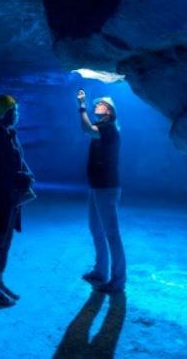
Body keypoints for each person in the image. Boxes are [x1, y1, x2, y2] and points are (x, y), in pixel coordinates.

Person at [0, 94, 34, 306]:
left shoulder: (9, 133)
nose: (17, 114)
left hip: (10, 196)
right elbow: (3, 171)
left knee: (5, 240)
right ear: (5, 114)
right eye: (14, 111)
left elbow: (17, 161)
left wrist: (26, 173)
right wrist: (25, 178)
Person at [76, 90, 126, 293]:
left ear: (109, 111)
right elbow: (89, 130)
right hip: (98, 186)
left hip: (106, 187)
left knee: (111, 234)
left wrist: (81, 106)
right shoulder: (103, 127)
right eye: (96, 104)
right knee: (96, 229)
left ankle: (118, 280)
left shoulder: (109, 128)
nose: (97, 105)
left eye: (101, 104)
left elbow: (87, 129)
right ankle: (101, 271)